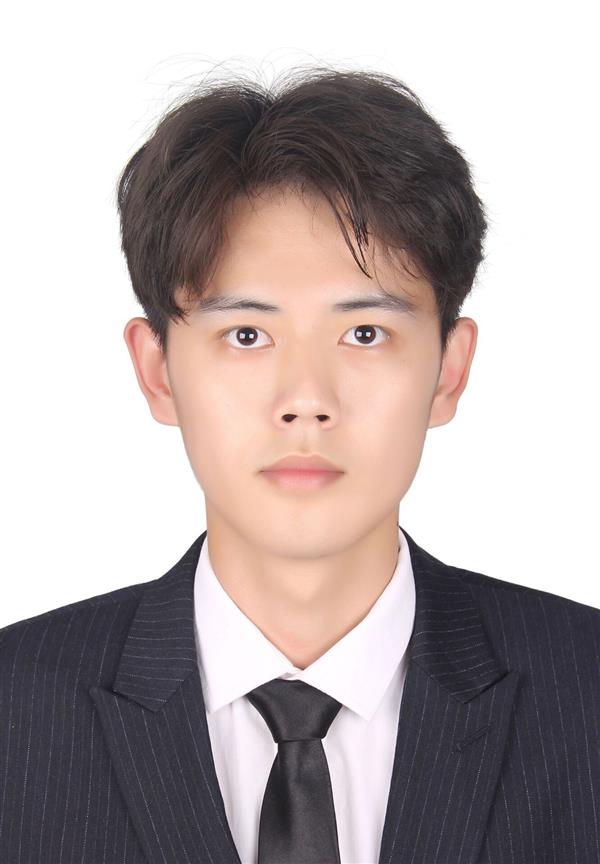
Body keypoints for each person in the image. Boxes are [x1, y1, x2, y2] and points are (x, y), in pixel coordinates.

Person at [1, 65, 599, 864]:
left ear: (448, 371)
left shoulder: (585, 693)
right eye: (247, 335)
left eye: (364, 334)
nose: (307, 401)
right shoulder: (15, 709)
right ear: (158, 371)